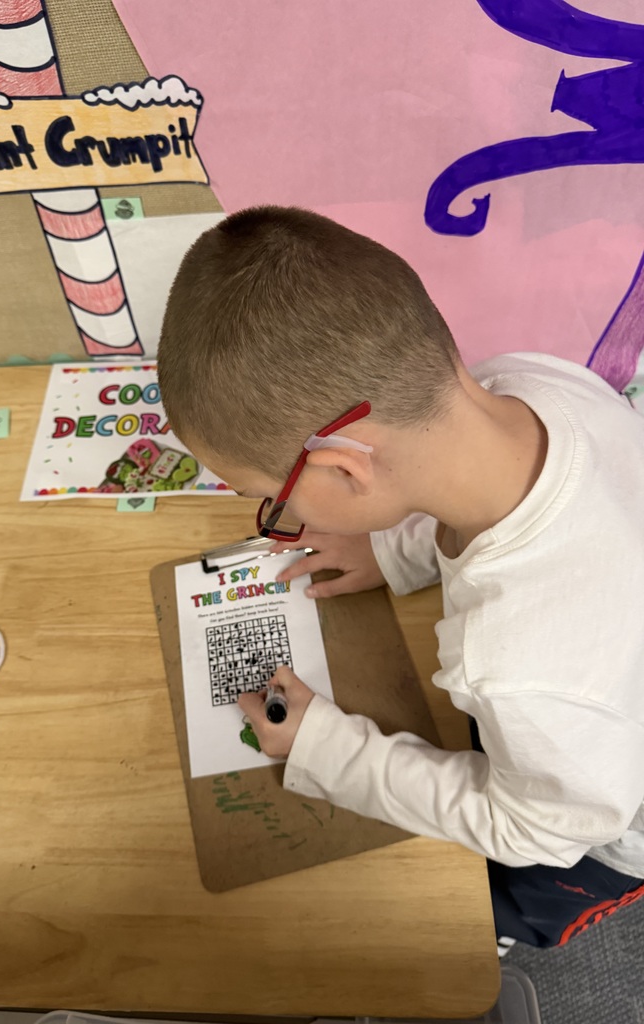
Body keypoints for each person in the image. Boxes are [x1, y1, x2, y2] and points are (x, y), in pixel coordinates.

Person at [157, 205, 644, 951]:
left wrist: (325, 748)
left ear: (344, 469)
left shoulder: (513, 666)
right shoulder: (534, 381)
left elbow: (539, 829)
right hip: (592, 700)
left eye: (272, 500)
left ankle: (507, 932)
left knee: (497, 904)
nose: (282, 517)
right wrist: (392, 550)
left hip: (599, 825)